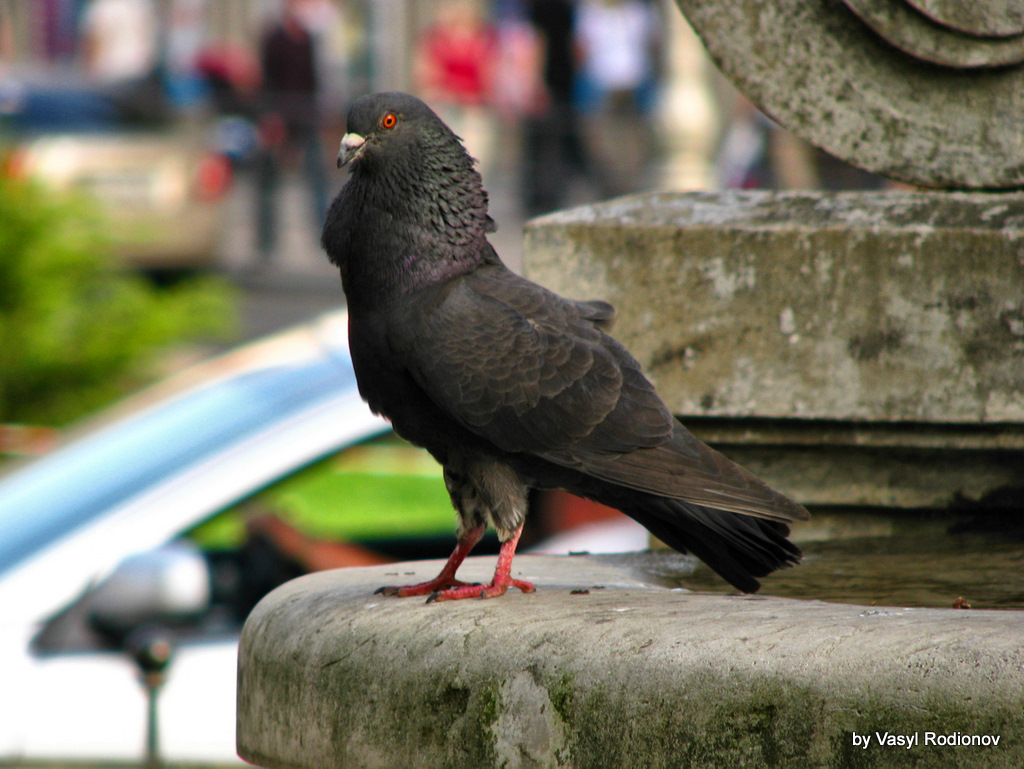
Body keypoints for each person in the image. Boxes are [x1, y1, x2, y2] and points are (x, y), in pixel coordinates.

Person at [254, 0, 328, 264]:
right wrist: (270, 117)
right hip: (279, 115)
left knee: (316, 178)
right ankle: (266, 242)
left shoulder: (308, 39)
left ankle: (324, 236)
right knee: (268, 181)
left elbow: (313, 79)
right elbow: (267, 80)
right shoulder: (274, 39)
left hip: (305, 115)